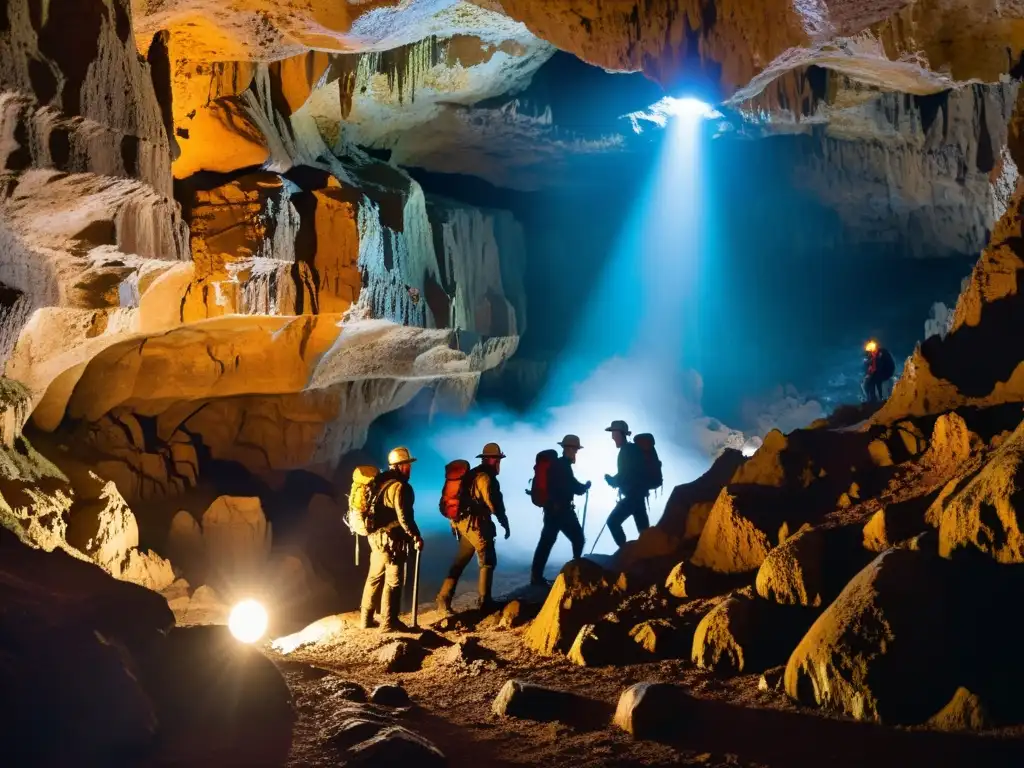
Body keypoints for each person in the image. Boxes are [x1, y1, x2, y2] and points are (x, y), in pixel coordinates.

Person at [436, 442, 510, 615]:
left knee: (461, 560)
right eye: (497, 459)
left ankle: (443, 598)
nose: (499, 463)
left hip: (463, 524)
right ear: (492, 460)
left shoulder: (472, 474)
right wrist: (503, 521)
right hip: (477, 525)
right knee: (488, 560)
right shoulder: (485, 478)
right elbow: (493, 504)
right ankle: (485, 602)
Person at [359, 446, 424, 632]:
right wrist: (416, 536)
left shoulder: (380, 482)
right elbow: (405, 518)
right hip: (391, 541)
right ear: (400, 466)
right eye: (407, 465)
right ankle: (389, 623)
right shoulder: (400, 487)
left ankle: (366, 619)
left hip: (375, 538)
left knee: (374, 577)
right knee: (394, 580)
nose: (409, 468)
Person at [530, 434, 590, 586]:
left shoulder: (559, 465)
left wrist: (582, 487)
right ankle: (577, 572)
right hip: (562, 511)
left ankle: (536, 577)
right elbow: (572, 487)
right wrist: (584, 487)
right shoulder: (562, 466)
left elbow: (571, 485)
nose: (576, 453)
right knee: (578, 538)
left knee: (546, 542)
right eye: (575, 449)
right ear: (568, 449)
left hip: (551, 511)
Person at [603, 420, 649, 548]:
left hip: (632, 497)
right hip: (638, 496)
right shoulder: (632, 449)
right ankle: (649, 556)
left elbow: (625, 474)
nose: (612, 437)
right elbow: (628, 473)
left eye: (613, 433)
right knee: (644, 531)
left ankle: (624, 553)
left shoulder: (626, 451)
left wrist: (611, 481)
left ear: (620, 434)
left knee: (612, 522)